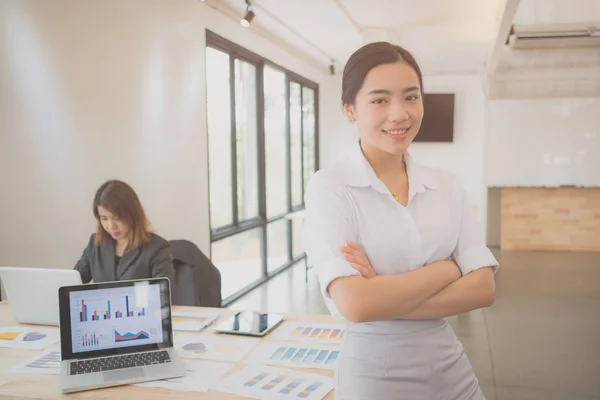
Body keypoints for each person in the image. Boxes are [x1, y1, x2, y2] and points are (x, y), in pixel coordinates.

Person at [303, 41, 499, 400]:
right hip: (375, 378)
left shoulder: (446, 185)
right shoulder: (331, 188)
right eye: (380, 100)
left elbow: (483, 289)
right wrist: (449, 269)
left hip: (452, 373)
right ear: (350, 109)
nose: (400, 114)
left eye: (411, 97)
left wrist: (382, 290)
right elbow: (357, 306)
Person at [74, 180, 175, 285]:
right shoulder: (95, 243)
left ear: (132, 214)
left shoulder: (158, 248)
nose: (111, 226)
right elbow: (71, 282)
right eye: (104, 218)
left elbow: (164, 296)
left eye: (116, 218)